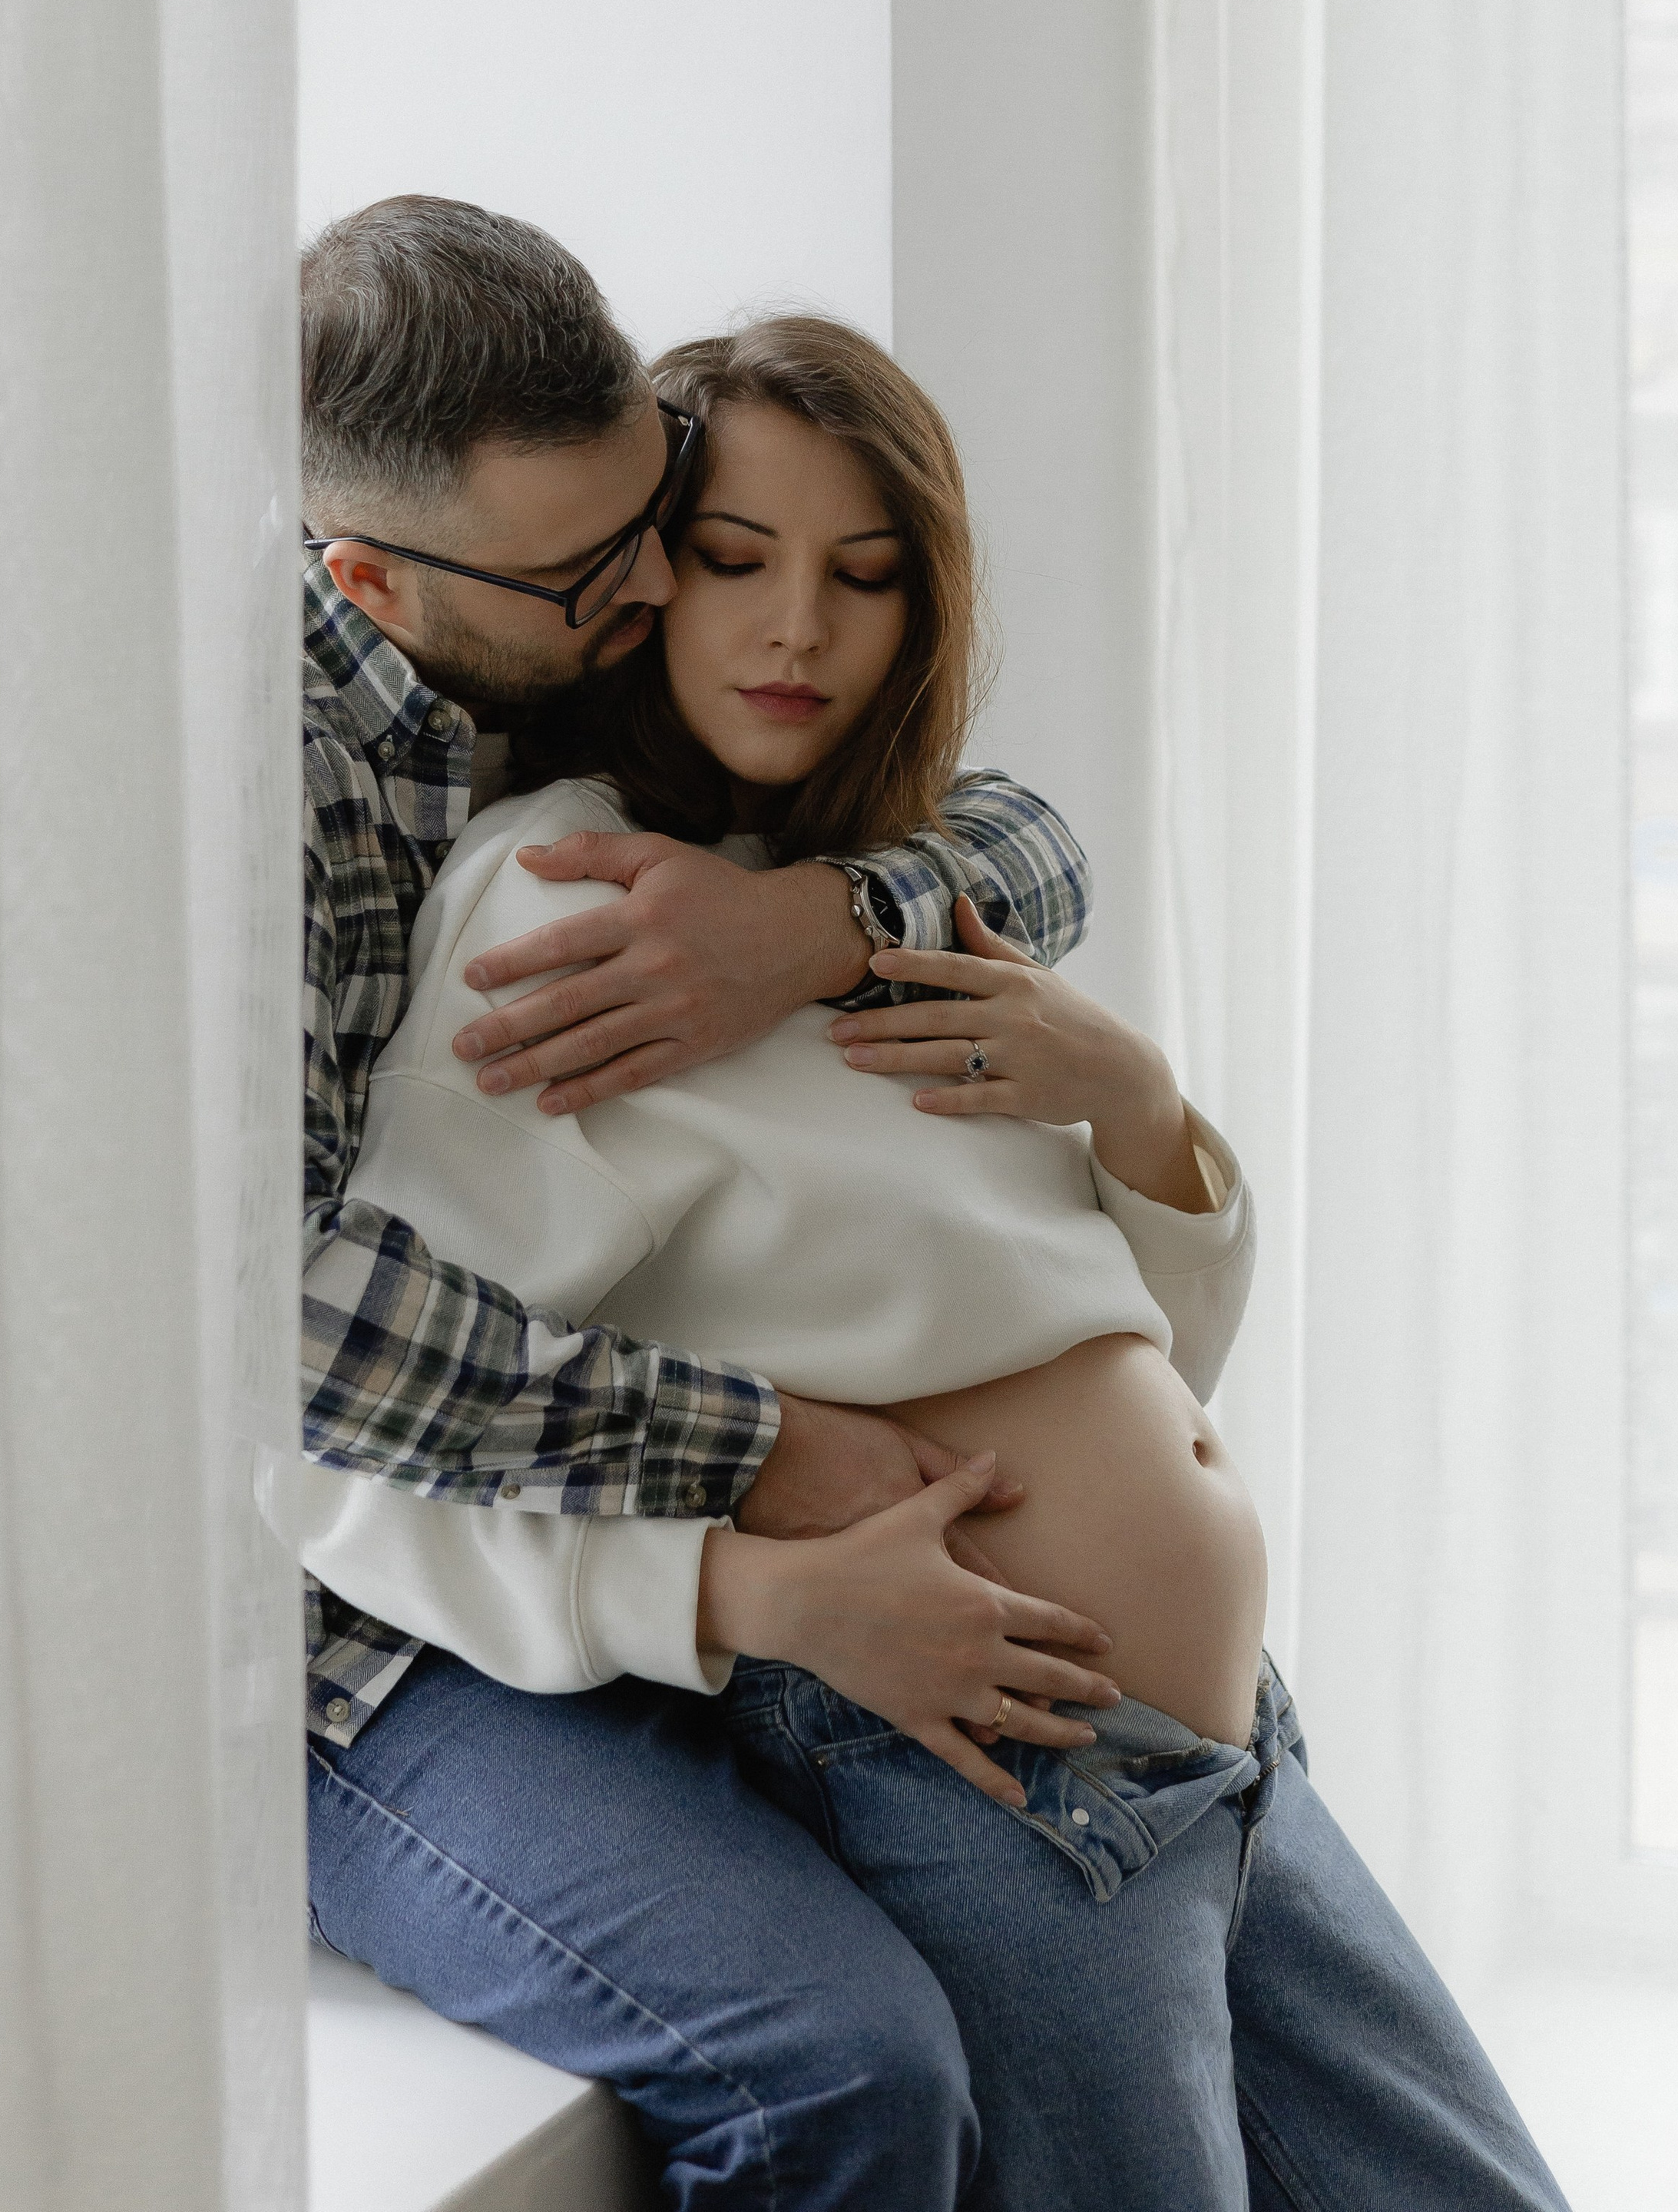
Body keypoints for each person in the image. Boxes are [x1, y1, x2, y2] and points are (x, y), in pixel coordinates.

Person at [296, 312, 1572, 2212]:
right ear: (640, 581)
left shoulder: (894, 898)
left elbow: (1116, 1359)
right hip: (997, 1756)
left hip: (1215, 1743)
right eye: (731, 561)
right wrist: (736, 1589)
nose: (796, 628)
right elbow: (350, 1443)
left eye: (864, 575)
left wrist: (1134, 1107)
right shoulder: (566, 916)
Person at [293, 197, 1099, 2205]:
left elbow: (1020, 833)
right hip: (338, 1638)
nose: (672, 586)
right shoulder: (267, 801)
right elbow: (280, 1340)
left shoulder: (545, 641)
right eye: (618, 565)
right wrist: (763, 1468)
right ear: (369, 574)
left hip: (590, 1561)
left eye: (672, 514)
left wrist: (814, 923)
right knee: (844, 2073)